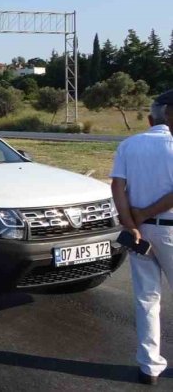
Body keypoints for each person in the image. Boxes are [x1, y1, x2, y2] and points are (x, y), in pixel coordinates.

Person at [110, 90, 173, 386]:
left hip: (139, 232)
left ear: (151, 118)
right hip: (169, 229)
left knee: (146, 298)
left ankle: (149, 366)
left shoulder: (129, 144)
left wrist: (131, 221)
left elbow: (117, 188)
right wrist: (145, 213)